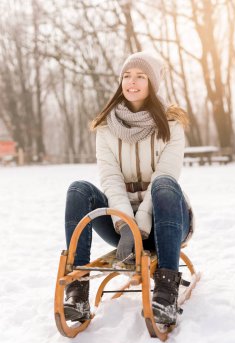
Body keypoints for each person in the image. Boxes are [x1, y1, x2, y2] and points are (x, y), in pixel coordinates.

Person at [63, 51, 194, 326]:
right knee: (79, 190)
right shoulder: (106, 127)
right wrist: (125, 227)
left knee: (164, 183)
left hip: (165, 223)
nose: (131, 82)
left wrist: (139, 229)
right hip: (121, 226)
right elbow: (110, 179)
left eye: (140, 77)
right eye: (126, 76)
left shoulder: (171, 125)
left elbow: (167, 172)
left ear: (152, 83)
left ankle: (166, 291)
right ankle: (77, 290)